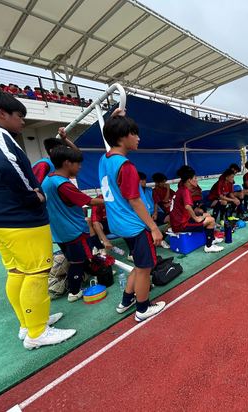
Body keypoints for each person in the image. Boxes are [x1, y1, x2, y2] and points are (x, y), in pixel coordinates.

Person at [0, 89, 75, 349]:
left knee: (17, 270)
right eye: (19, 116)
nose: (22, 122)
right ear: (1, 113)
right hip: (17, 217)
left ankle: (28, 323)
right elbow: (3, 164)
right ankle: (37, 332)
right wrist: (32, 195)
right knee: (37, 271)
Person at [98, 111, 166, 322]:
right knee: (145, 268)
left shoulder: (104, 159)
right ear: (122, 136)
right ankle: (143, 309)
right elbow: (135, 200)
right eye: (134, 133)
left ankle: (126, 300)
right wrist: (153, 227)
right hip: (135, 225)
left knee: (138, 264)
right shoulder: (126, 166)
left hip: (118, 223)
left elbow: (110, 135)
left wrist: (114, 119)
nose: (138, 138)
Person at [41, 146, 104, 302]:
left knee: (75, 259)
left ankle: (93, 274)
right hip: (73, 231)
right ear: (67, 163)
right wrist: (112, 201)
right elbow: (89, 201)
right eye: (78, 163)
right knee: (77, 262)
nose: (80, 167)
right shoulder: (63, 184)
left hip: (59, 231)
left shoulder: (48, 180)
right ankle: (74, 292)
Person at [170, 165, 224, 253]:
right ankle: (209, 246)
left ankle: (212, 238)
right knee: (211, 220)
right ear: (189, 180)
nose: (197, 180)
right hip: (181, 224)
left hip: (180, 221)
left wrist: (200, 216)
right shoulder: (185, 191)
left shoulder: (182, 189)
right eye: (195, 178)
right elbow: (187, 206)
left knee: (206, 215)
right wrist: (196, 218)